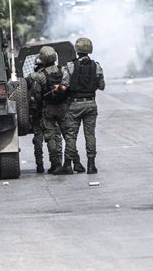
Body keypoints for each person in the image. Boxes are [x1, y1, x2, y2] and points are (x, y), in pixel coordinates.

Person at [60, 37, 105, 175]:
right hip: (91, 104)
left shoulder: (70, 66)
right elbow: (102, 86)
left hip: (74, 105)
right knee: (90, 135)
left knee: (71, 135)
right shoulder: (96, 66)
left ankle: (67, 165)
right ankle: (91, 165)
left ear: (77, 50)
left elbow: (64, 85)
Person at [28, 46, 69, 174]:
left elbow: (36, 95)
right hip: (62, 108)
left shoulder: (38, 76)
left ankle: (54, 164)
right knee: (65, 136)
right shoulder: (63, 70)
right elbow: (69, 88)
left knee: (48, 138)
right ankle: (69, 163)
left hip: (46, 111)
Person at [27, 55, 47, 173]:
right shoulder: (53, 74)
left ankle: (39, 165)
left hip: (36, 113)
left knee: (38, 141)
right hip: (50, 111)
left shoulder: (31, 77)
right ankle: (57, 163)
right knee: (54, 138)